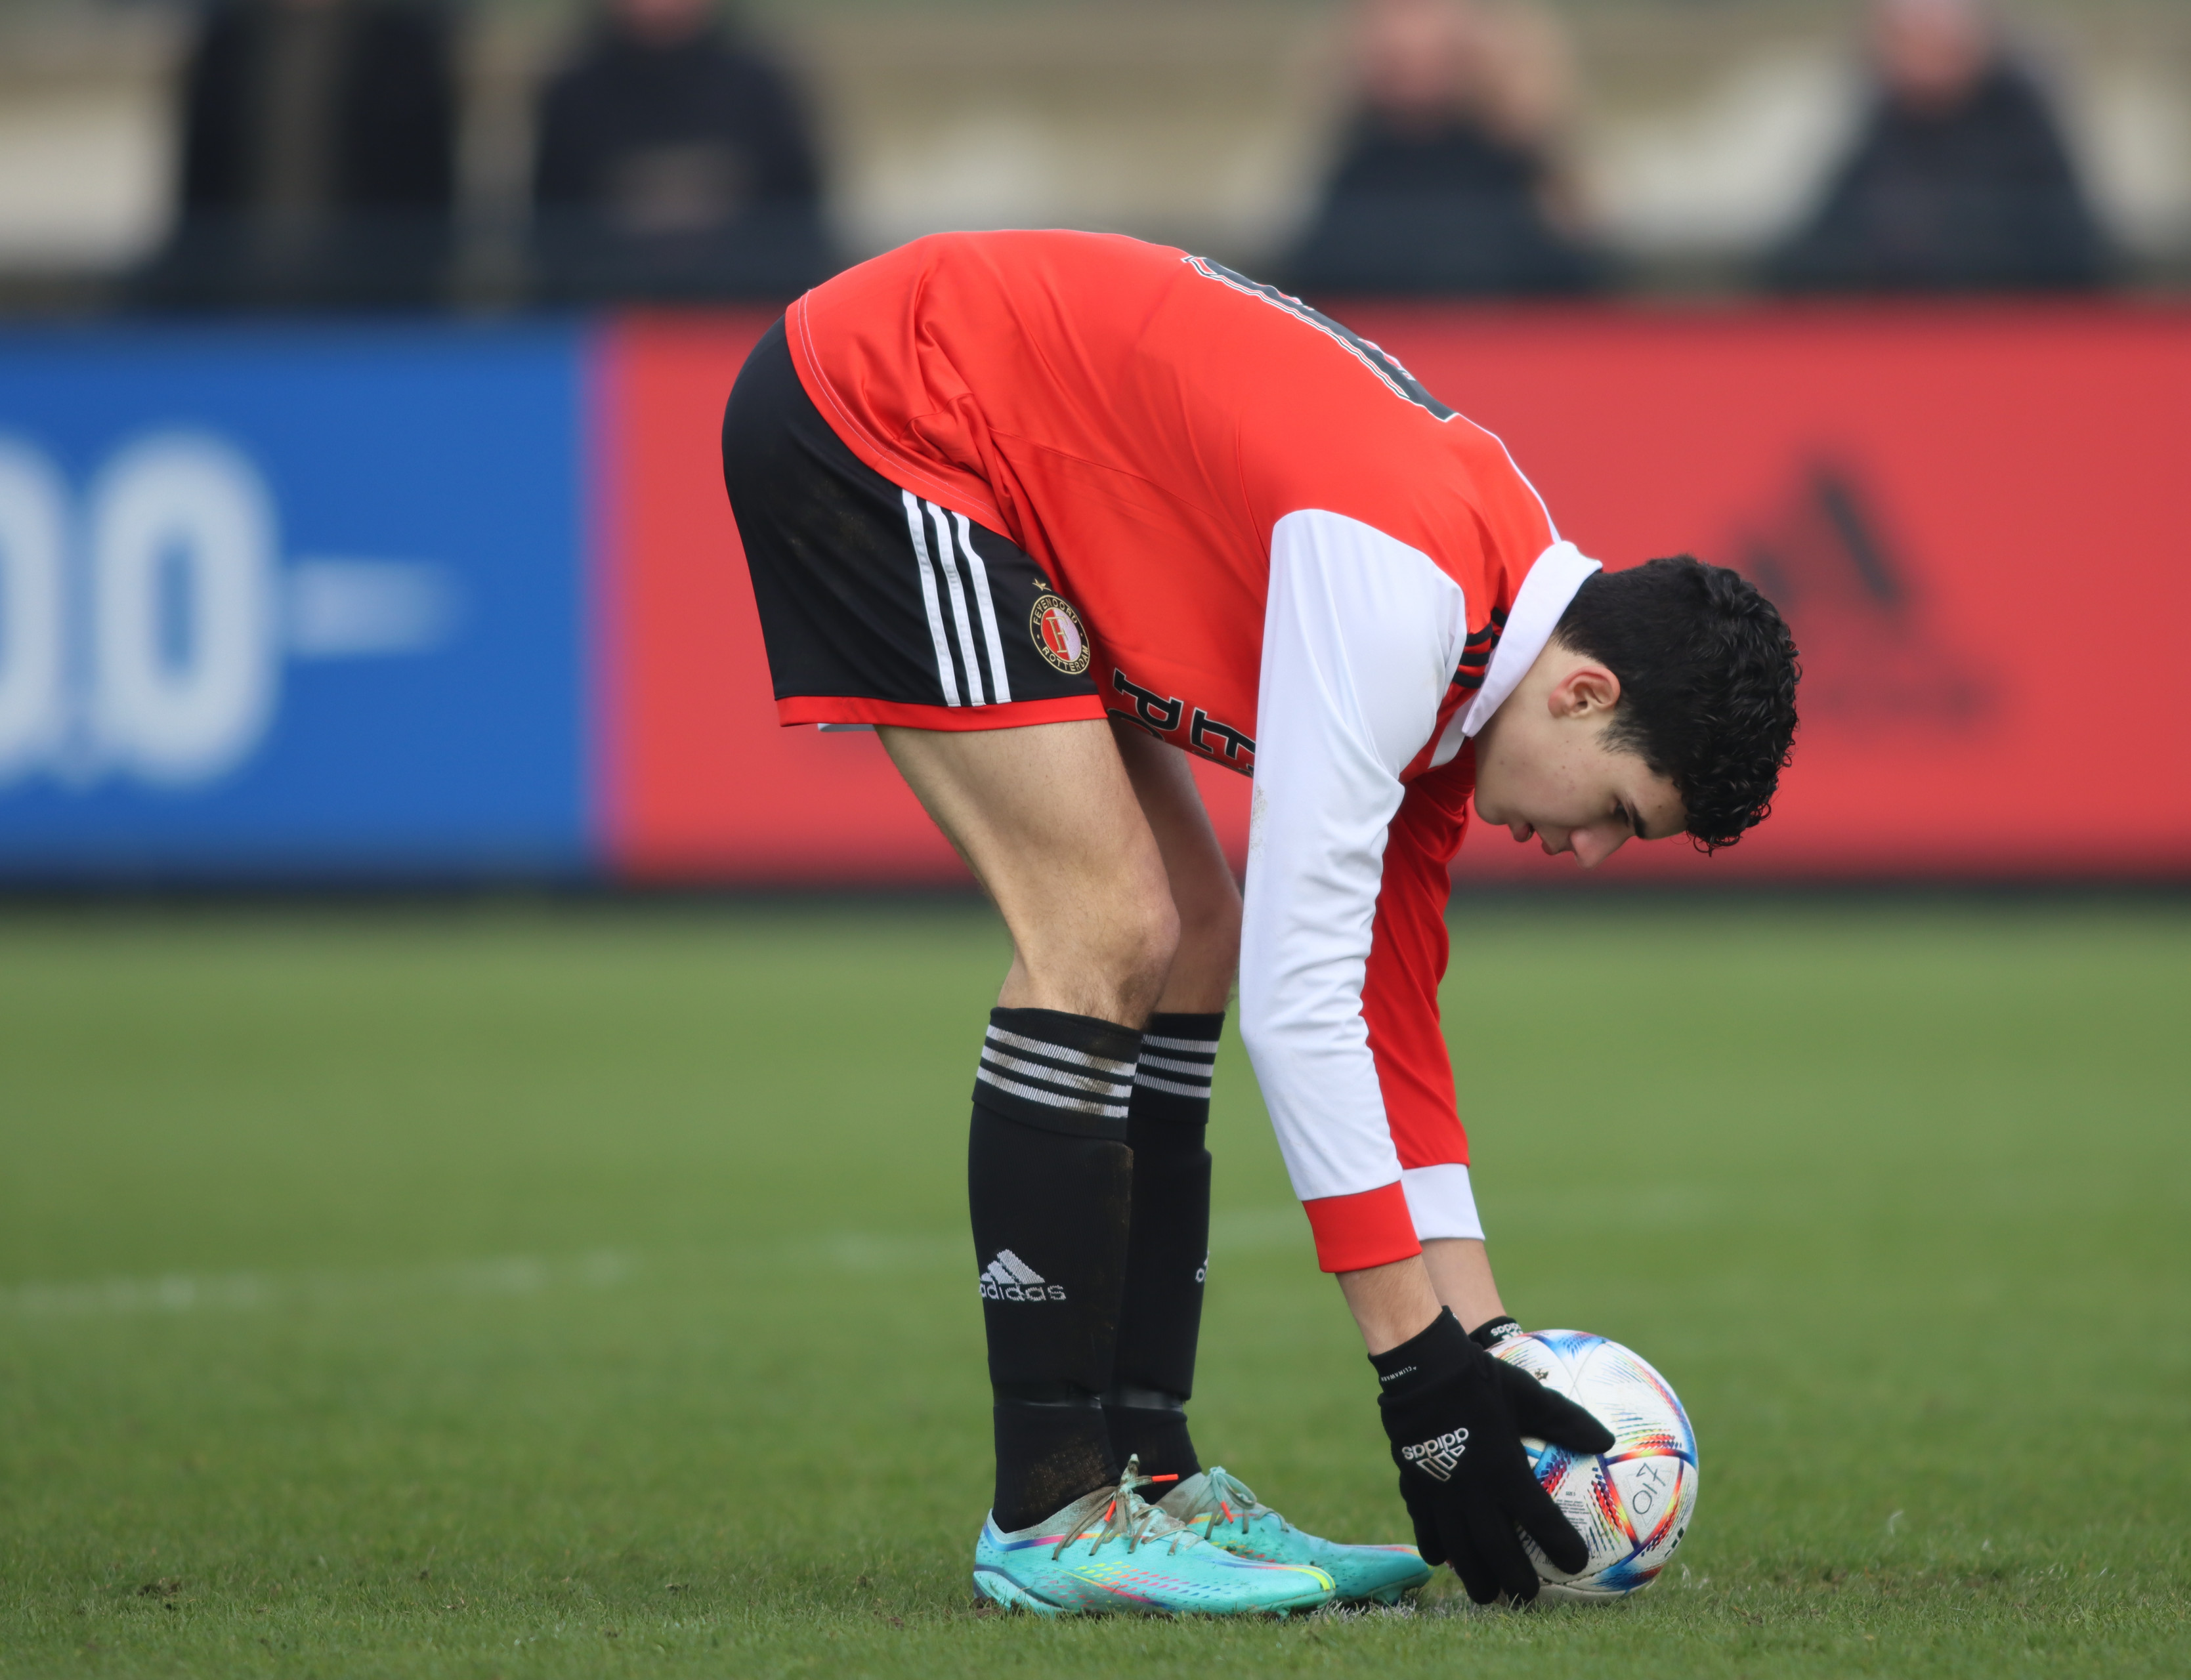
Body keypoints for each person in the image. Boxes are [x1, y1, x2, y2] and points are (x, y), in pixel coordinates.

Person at [717, 230, 1798, 1613]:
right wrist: (1417, 1374)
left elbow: (1385, 1010)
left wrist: (1486, 1343)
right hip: (879, 407)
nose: (1587, 850)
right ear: (1585, 696)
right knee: (1103, 923)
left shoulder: (1492, 619)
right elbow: (1303, 1011)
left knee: (1195, 932)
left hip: (986, 454)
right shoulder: (1406, 584)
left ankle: (1149, 1476)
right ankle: (1050, 1507)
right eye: (1620, 813)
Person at [1764, 0, 2108, 293]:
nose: (1916, 58)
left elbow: (2070, 248)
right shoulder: (1885, 122)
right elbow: (1815, 248)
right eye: (1902, 43)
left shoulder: (2021, 123)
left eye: (1929, 43)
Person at [144, 0, 458, 309]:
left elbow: (429, 183)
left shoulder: (402, 40)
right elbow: (199, 181)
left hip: (371, 292)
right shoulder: (229, 38)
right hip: (244, 289)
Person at [1282, 0, 1599, 298]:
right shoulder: (1351, 155)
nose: (1407, 35)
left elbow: (1580, 279)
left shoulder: (1517, 155)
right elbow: (1310, 276)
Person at [532, 0, 832, 303]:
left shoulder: (757, 88)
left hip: (740, 311)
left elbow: (797, 219)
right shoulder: (575, 96)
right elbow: (553, 229)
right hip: (612, 318)